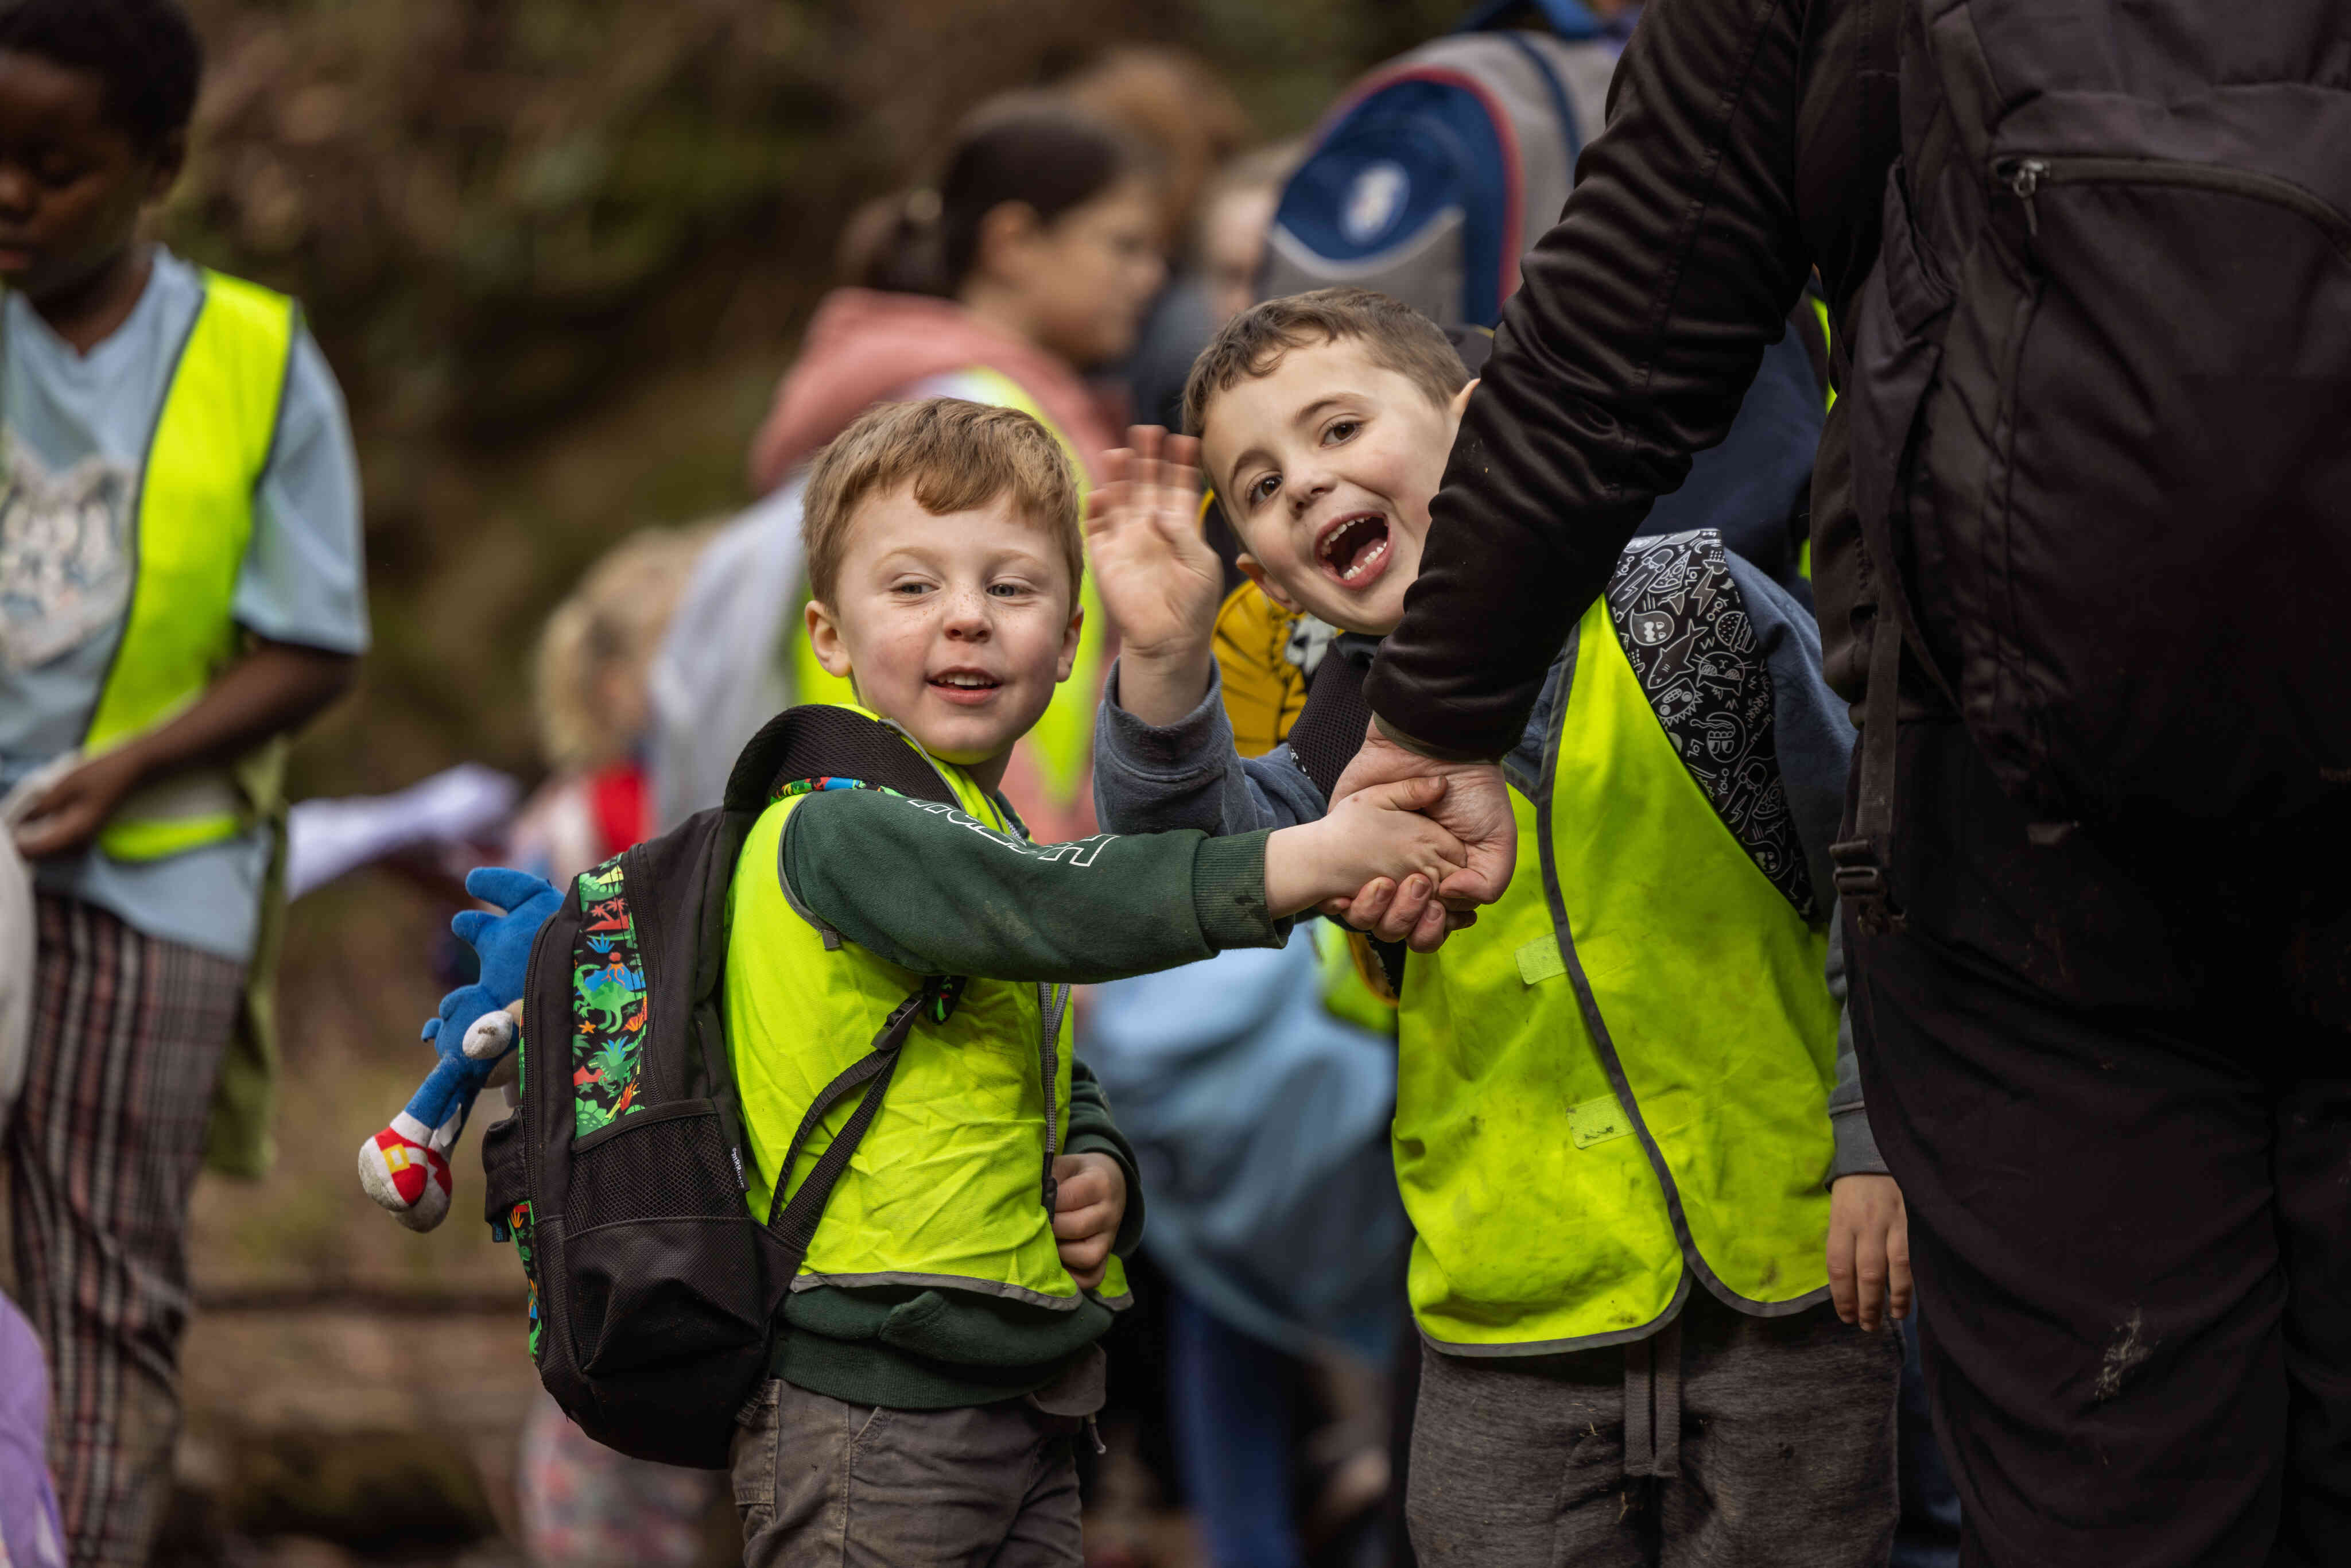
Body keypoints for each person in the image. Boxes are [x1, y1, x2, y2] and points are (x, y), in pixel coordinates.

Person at [1306, 3, 2351, 1565]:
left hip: (2019, 843)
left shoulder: (1698, 628)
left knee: (2120, 1502)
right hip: (1568, 1305)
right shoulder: (1364, 687)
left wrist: (1442, 691)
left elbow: (1629, 316)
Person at [1087, 289, 1904, 1565]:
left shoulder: (1688, 608)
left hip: (1789, 1283)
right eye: (1257, 483)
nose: (1304, 482)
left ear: (1477, 430)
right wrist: (1164, 659)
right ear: (1259, 566)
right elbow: (1177, 875)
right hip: (1501, 1334)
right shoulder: (1332, 729)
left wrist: (1871, 1140)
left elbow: (1873, 869)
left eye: (1339, 427)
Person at [720, 395, 1468, 1567]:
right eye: (912, 588)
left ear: (1069, 643)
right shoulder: (837, 826)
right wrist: (1299, 859)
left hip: (1016, 1382)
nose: (964, 619)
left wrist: (1100, 1159)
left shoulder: (982, 822)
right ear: (828, 634)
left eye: (1008, 589)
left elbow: (1037, 1051)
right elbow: (1057, 910)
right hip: (865, 1396)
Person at [0, 1, 365, 1561]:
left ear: (158, 166)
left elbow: (314, 639)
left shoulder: (253, 356)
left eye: (53, 166)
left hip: (151, 872)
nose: (8, 193)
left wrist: (126, 766)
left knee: (100, 1274)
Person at [654, 99, 1165, 841]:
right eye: (1123, 245)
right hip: (969, 855)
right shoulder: (971, 418)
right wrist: (1026, 861)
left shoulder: (989, 402)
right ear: (1014, 242)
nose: (1150, 278)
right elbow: (893, 668)